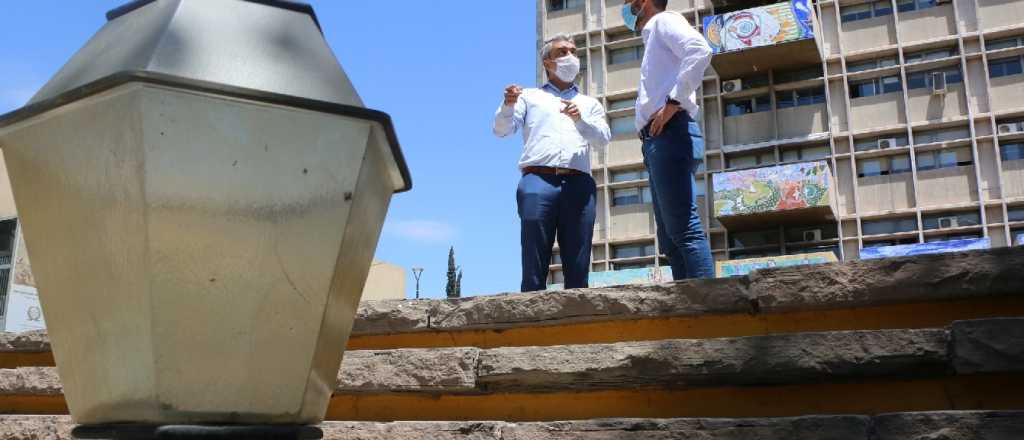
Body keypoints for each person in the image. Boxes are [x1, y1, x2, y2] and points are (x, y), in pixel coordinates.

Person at [493, 33, 611, 292]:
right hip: (538, 180)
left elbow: (603, 139)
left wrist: (580, 120)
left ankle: (577, 321)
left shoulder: (589, 103)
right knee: (534, 258)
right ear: (547, 62)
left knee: (578, 262)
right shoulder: (529, 97)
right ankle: (532, 321)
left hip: (578, 181)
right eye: (562, 52)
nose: (571, 57)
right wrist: (508, 105)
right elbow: (502, 130)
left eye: (574, 51)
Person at [623, 0, 715, 280]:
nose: (626, 7)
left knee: (684, 230)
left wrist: (674, 101)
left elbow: (700, 50)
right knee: (670, 238)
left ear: (644, 2)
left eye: (628, 2)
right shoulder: (653, 35)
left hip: (670, 131)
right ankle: (688, 308)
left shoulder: (664, 21)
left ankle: (710, 309)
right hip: (657, 138)